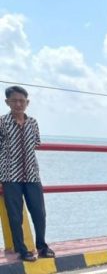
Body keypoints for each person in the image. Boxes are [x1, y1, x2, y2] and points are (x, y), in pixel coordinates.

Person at [0, 85, 55, 262]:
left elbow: (35, 143)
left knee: (39, 212)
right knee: (15, 216)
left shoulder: (33, 123)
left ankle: (42, 246)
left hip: (32, 175)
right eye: (14, 100)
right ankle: (22, 250)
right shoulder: (1, 122)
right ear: (7, 102)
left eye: (22, 101)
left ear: (27, 102)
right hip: (10, 176)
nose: (18, 104)